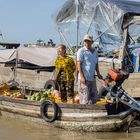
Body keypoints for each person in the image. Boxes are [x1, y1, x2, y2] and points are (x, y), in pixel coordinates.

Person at [77, 34, 103, 104]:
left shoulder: (95, 51)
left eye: (88, 41)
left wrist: (98, 73)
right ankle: (83, 112)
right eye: (85, 41)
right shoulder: (81, 51)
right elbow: (78, 64)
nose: (87, 43)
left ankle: (93, 112)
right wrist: (82, 77)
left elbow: (96, 63)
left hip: (92, 78)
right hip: (84, 79)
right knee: (84, 98)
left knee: (94, 97)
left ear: (92, 42)